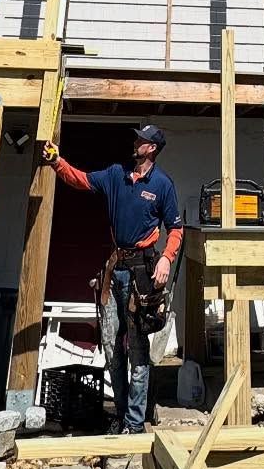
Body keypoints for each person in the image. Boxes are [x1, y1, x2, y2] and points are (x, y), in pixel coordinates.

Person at [41, 125, 182, 434]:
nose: (135, 143)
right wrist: (56, 161)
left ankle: (135, 422)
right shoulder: (115, 174)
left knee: (137, 350)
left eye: (141, 140)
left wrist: (166, 258)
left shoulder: (162, 184)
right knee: (111, 349)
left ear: (152, 149)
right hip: (113, 272)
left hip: (141, 276)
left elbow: (176, 228)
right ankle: (121, 414)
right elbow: (80, 179)